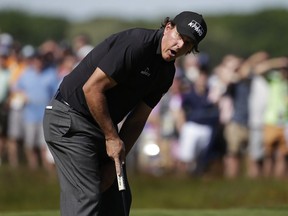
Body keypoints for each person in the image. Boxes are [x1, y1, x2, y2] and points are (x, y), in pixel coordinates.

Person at [43, 11, 207, 216]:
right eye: (180, 36)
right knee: (87, 196)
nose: (180, 45)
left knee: (116, 203)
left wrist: (114, 167)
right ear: (168, 28)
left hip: (100, 126)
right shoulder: (137, 44)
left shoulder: (166, 73)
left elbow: (137, 119)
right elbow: (92, 89)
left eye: (189, 43)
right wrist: (112, 137)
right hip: (69, 119)